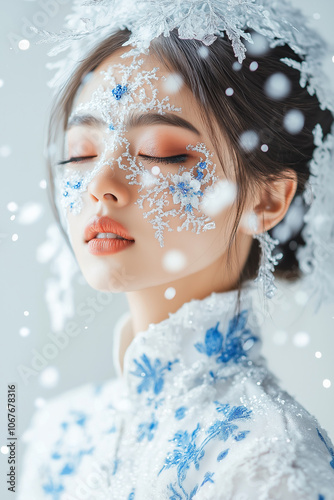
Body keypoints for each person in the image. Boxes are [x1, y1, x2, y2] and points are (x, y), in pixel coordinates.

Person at [18, 0, 334, 498]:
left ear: (268, 199)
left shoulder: (272, 459)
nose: (102, 182)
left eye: (161, 152)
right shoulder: (60, 431)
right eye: (81, 152)